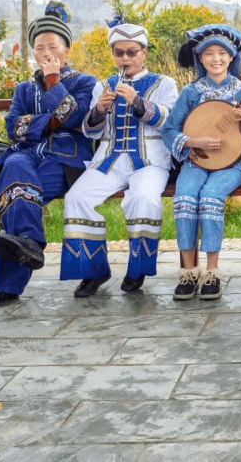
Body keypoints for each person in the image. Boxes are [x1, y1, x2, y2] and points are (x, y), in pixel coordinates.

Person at [0, 2, 97, 307]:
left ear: (66, 50)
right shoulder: (24, 89)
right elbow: (14, 128)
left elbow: (76, 118)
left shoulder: (85, 82)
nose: (46, 52)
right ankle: (31, 242)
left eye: (53, 46)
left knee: (17, 195)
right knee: (13, 164)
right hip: (26, 154)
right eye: (40, 48)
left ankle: (7, 284)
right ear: (34, 53)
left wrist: (53, 85)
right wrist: (52, 120)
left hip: (65, 161)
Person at [60, 18, 178, 297]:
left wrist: (138, 102)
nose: (125, 58)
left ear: (144, 52)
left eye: (132, 52)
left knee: (144, 199)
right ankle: (92, 272)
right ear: (113, 54)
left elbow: (170, 121)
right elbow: (91, 131)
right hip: (110, 159)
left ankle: (137, 269)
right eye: (119, 52)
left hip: (150, 161)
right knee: (76, 198)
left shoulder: (165, 83)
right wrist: (99, 110)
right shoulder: (103, 84)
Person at [159, 24, 241, 302]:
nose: (215, 58)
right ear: (200, 59)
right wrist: (194, 143)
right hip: (196, 160)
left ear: (231, 58)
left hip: (235, 163)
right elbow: (169, 131)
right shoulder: (191, 92)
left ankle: (212, 272)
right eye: (208, 53)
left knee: (210, 197)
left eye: (222, 53)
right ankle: (189, 272)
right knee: (184, 198)